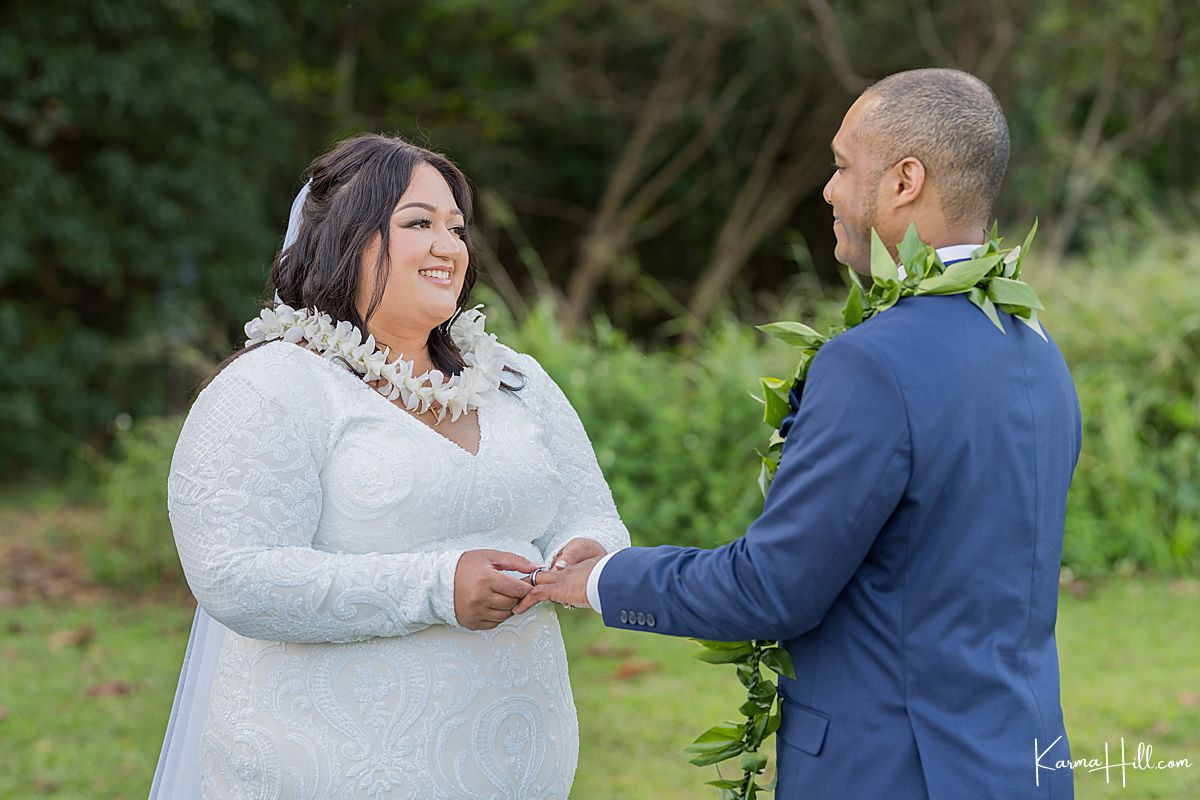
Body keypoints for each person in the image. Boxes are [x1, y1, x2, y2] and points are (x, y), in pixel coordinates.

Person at [518, 69, 1081, 799]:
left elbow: (771, 590)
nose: (828, 189)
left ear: (906, 180)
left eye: (845, 165)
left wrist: (598, 578)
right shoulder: (1036, 348)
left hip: (892, 772)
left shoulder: (874, 361)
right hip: (1021, 765)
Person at [150, 133, 630, 798]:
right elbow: (236, 575)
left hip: (517, 766)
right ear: (345, 237)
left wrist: (590, 551)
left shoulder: (516, 380)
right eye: (419, 224)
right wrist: (438, 585)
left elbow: (589, 510)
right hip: (326, 770)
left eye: (457, 228)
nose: (449, 246)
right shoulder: (274, 386)